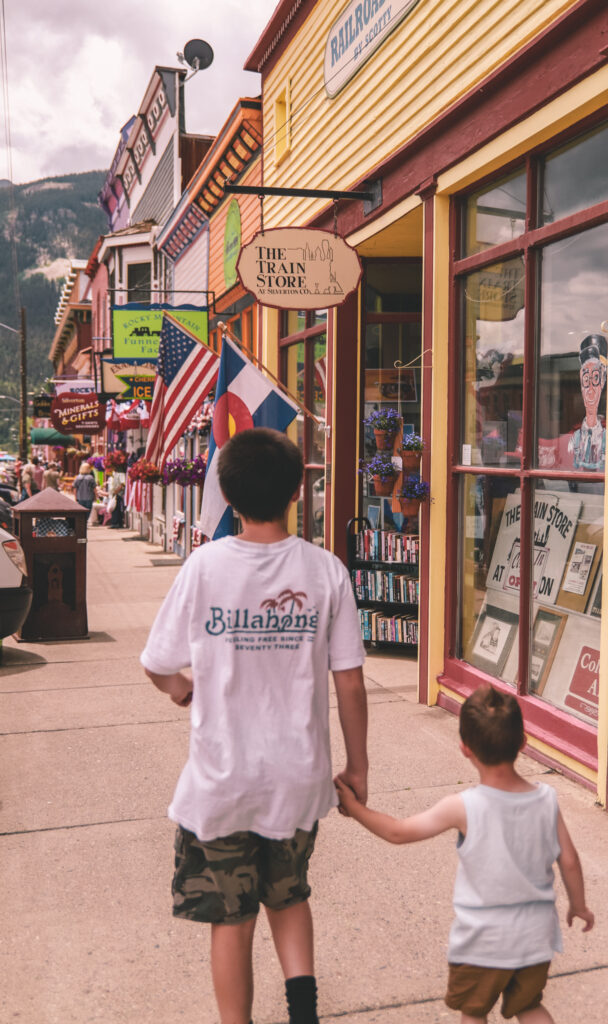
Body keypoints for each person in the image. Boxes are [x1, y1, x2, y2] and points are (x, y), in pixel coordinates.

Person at [140, 427, 368, 1024]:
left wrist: (182, 689)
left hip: (223, 780)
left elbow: (157, 663)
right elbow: (349, 680)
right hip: (298, 777)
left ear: (228, 495)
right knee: (289, 898)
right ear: (296, 491)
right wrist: (359, 764)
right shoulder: (325, 571)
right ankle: (302, 1012)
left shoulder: (205, 567)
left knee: (231, 918)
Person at [336, 685, 594, 1024]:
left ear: (464, 748)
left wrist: (354, 809)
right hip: (535, 936)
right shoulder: (547, 799)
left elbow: (398, 832)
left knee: (474, 1011)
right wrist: (578, 904)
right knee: (529, 1006)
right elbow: (570, 860)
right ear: (523, 743)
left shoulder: (464, 807)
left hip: (482, 941)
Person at [568, 334, 607, 472]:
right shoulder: (574, 437)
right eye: (586, 380)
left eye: (595, 378)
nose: (590, 390)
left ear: (602, 380)